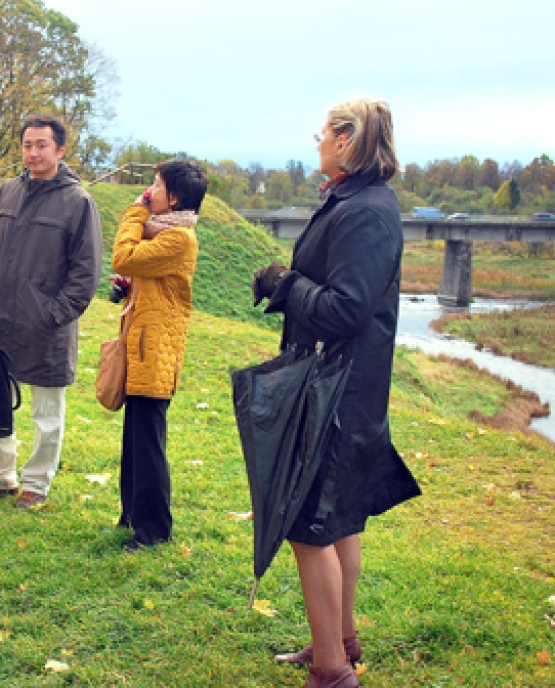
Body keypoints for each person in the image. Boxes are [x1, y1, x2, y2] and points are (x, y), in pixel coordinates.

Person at [252, 98, 421, 688]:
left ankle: (331, 672)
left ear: (347, 139)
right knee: (342, 521)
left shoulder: (367, 211)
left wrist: (288, 284)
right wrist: (291, 283)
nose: (317, 141)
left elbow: (348, 308)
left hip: (340, 394)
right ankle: (338, 640)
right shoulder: (353, 200)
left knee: (308, 524)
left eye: (323, 133)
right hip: (341, 386)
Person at [0, 114, 103, 508]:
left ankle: (36, 484)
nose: (33, 152)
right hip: (1, 318)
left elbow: (86, 271)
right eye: (27, 144)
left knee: (47, 414)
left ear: (60, 150)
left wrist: (52, 312)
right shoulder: (8, 191)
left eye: (41, 145)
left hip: (47, 326)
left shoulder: (78, 202)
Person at [111, 160, 206, 552]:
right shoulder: (163, 234)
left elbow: (123, 256)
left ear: (175, 197)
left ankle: (154, 530)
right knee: (135, 439)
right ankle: (131, 516)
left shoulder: (179, 239)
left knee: (149, 443)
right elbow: (135, 268)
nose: (150, 191)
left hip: (157, 350)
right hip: (143, 345)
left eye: (157, 184)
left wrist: (135, 210)